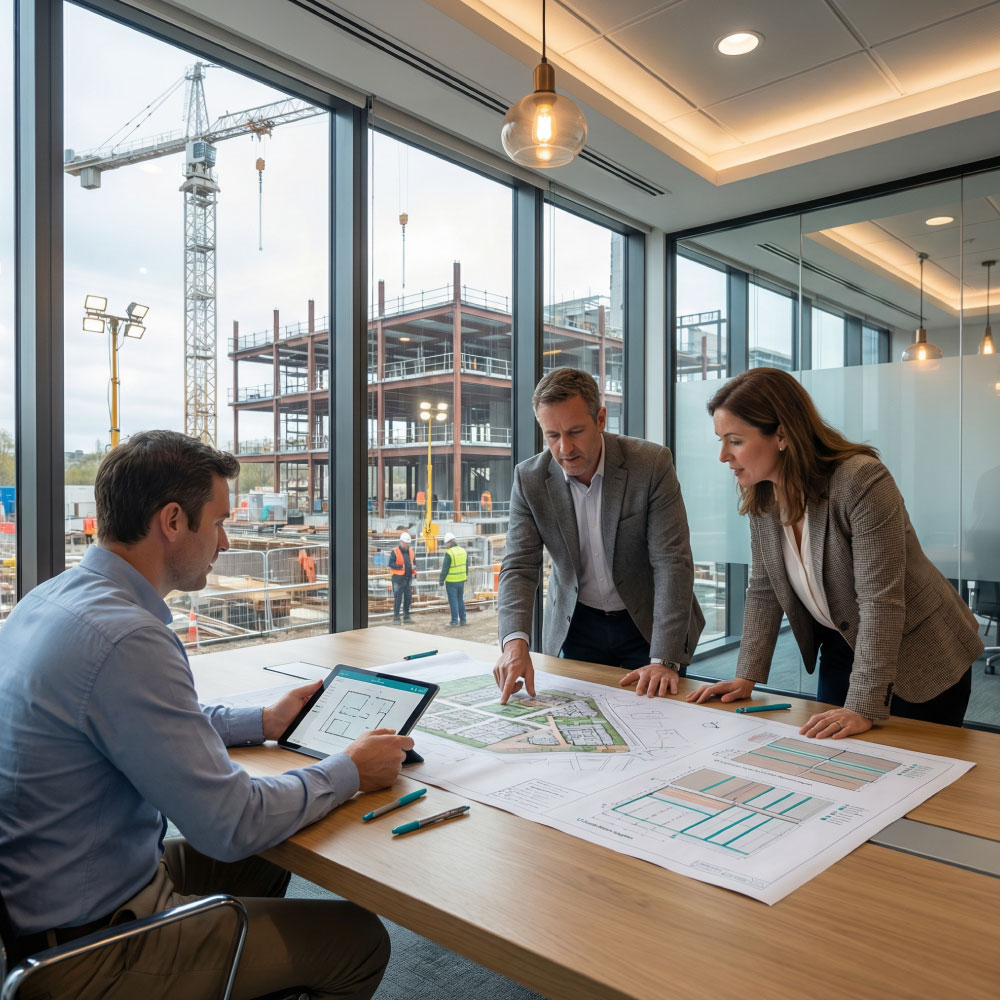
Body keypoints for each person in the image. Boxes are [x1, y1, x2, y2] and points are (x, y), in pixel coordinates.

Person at [0, 430, 412, 1000]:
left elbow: (144, 720)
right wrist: (350, 768)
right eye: (218, 521)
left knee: (262, 864)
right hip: (88, 953)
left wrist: (263, 721)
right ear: (172, 520)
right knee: (360, 940)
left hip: (49, 901)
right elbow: (231, 823)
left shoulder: (50, 600)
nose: (225, 541)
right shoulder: (128, 639)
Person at [687, 368, 984, 737]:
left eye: (734, 441)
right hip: (843, 642)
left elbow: (882, 601)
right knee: (831, 756)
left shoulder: (860, 480)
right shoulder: (763, 497)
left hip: (918, 652)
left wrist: (861, 705)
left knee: (913, 779)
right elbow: (765, 590)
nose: (722, 456)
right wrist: (746, 676)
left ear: (781, 434)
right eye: (720, 441)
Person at [494, 367, 704, 704]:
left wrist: (665, 660)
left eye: (575, 431)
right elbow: (519, 566)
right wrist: (514, 643)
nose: (564, 448)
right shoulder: (529, 478)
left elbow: (672, 563)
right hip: (577, 624)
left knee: (662, 719)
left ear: (601, 419)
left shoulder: (650, 464)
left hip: (649, 622)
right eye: (552, 435)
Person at [438, 531, 468, 626]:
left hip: (451, 581)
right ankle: (463, 620)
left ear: (449, 542)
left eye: (446, 543)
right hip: (461, 580)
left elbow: (445, 568)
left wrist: (441, 580)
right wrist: (465, 575)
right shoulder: (463, 551)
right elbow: (466, 565)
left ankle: (454, 621)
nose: (446, 545)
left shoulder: (449, 553)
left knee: (453, 601)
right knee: (460, 599)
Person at [388, 530, 417, 624]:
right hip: (398, 579)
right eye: (406, 543)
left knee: (408, 598)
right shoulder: (395, 551)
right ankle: (396, 618)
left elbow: (414, 562)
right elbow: (390, 564)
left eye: (408, 543)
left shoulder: (411, 551)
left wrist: (414, 566)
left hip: (408, 578)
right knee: (398, 598)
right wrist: (400, 566)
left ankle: (406, 616)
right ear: (402, 542)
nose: (407, 545)